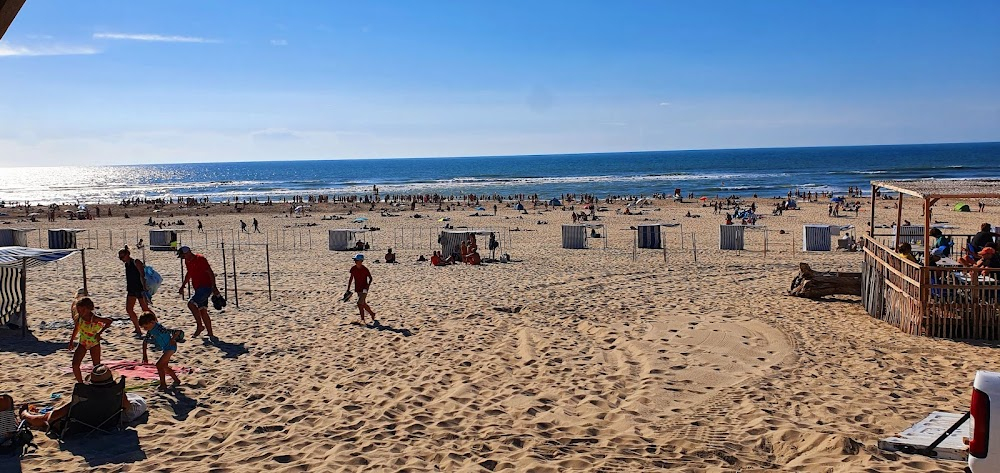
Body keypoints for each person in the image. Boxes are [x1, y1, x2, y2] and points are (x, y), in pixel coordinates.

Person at [19, 365, 146, 431]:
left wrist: (51, 414)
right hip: (107, 421)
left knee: (49, 416)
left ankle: (25, 415)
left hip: (81, 425)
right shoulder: (116, 393)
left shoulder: (84, 397)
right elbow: (128, 408)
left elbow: (52, 418)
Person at [177, 246, 220, 338]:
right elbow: (189, 273)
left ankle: (200, 326)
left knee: (191, 304)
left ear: (187, 253)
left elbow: (210, 272)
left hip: (205, 287)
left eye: (183, 256)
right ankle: (210, 333)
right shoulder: (187, 261)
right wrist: (183, 285)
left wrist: (214, 287)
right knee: (203, 310)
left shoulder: (200, 259)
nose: (183, 258)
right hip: (198, 288)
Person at [69, 297, 112, 384]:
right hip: (82, 343)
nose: (79, 312)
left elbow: (109, 321)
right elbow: (76, 329)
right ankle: (80, 383)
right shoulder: (79, 318)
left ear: (88, 309)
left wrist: (99, 333)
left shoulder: (94, 318)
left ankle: (98, 383)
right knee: (75, 364)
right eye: (78, 310)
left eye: (81, 310)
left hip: (94, 343)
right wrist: (71, 341)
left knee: (97, 367)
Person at [139, 312, 182, 390]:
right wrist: (144, 355)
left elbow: (177, 331)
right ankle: (176, 380)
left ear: (152, 322)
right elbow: (145, 341)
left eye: (145, 327)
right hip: (166, 348)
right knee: (164, 366)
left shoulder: (160, 328)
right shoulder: (150, 330)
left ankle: (163, 384)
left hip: (171, 347)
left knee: (159, 365)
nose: (145, 329)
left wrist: (172, 339)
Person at [118, 247, 150, 335]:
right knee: (129, 309)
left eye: (122, 257)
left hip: (140, 289)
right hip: (131, 288)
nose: (122, 259)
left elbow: (142, 275)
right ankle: (137, 328)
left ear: (128, 254)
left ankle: (155, 326)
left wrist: (145, 289)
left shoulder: (136, 262)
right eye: (120, 258)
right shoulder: (126, 264)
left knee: (145, 310)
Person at [346, 254, 376, 325]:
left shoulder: (365, 269)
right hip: (358, 288)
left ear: (361, 261)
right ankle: (372, 313)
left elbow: (370, 278)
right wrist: (348, 288)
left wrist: (368, 286)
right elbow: (351, 279)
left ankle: (362, 319)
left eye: (356, 260)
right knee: (363, 303)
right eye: (355, 260)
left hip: (365, 289)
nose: (355, 261)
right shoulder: (353, 268)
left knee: (359, 303)